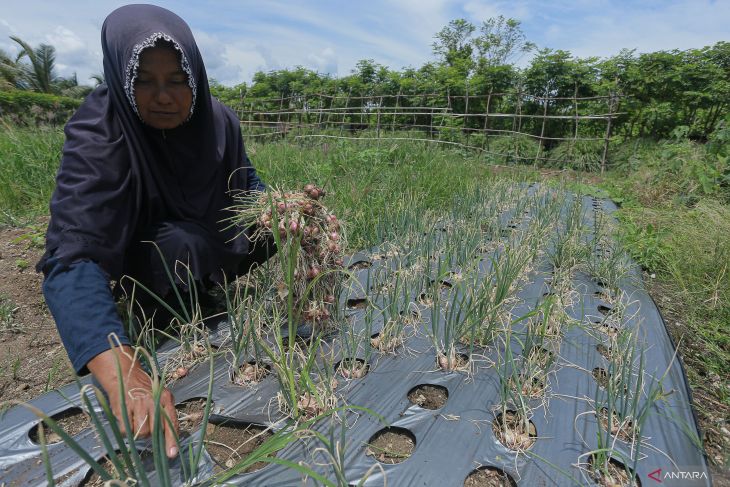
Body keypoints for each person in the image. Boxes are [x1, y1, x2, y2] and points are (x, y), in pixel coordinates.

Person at [37, 4, 271, 459]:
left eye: (177, 80)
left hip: (204, 240)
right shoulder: (100, 130)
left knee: (267, 229)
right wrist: (123, 372)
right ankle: (162, 309)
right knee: (178, 244)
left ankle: (208, 286)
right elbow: (72, 254)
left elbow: (247, 185)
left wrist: (287, 210)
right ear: (122, 78)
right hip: (145, 252)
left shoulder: (218, 121)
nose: (163, 96)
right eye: (144, 80)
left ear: (196, 77)